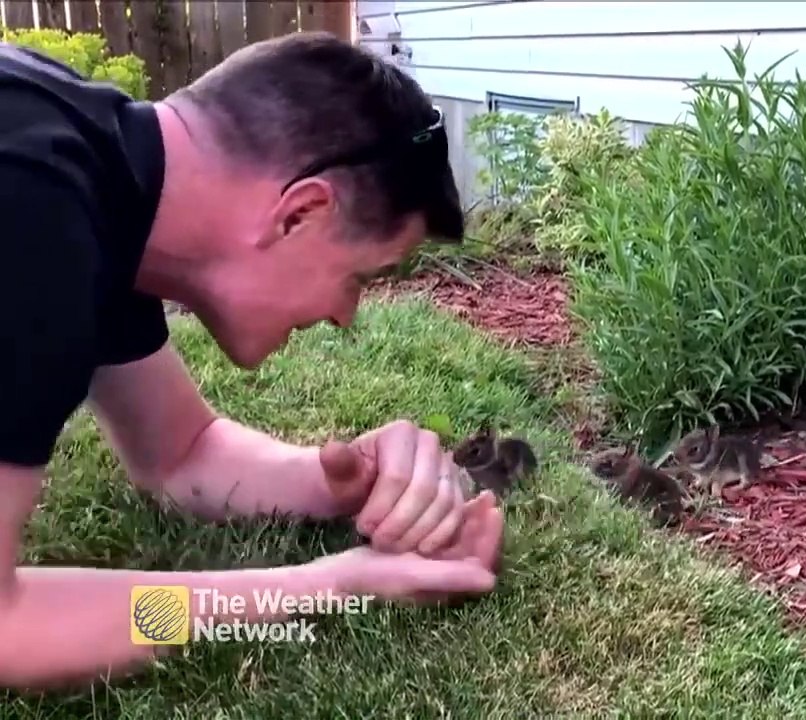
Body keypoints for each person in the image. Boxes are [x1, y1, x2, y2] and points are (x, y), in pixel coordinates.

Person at [0, 31, 504, 691]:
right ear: (300, 214)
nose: (345, 317)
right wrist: (323, 587)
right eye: (360, 278)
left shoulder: (95, 181)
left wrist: (340, 485)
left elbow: (179, 455)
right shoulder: (31, 207)